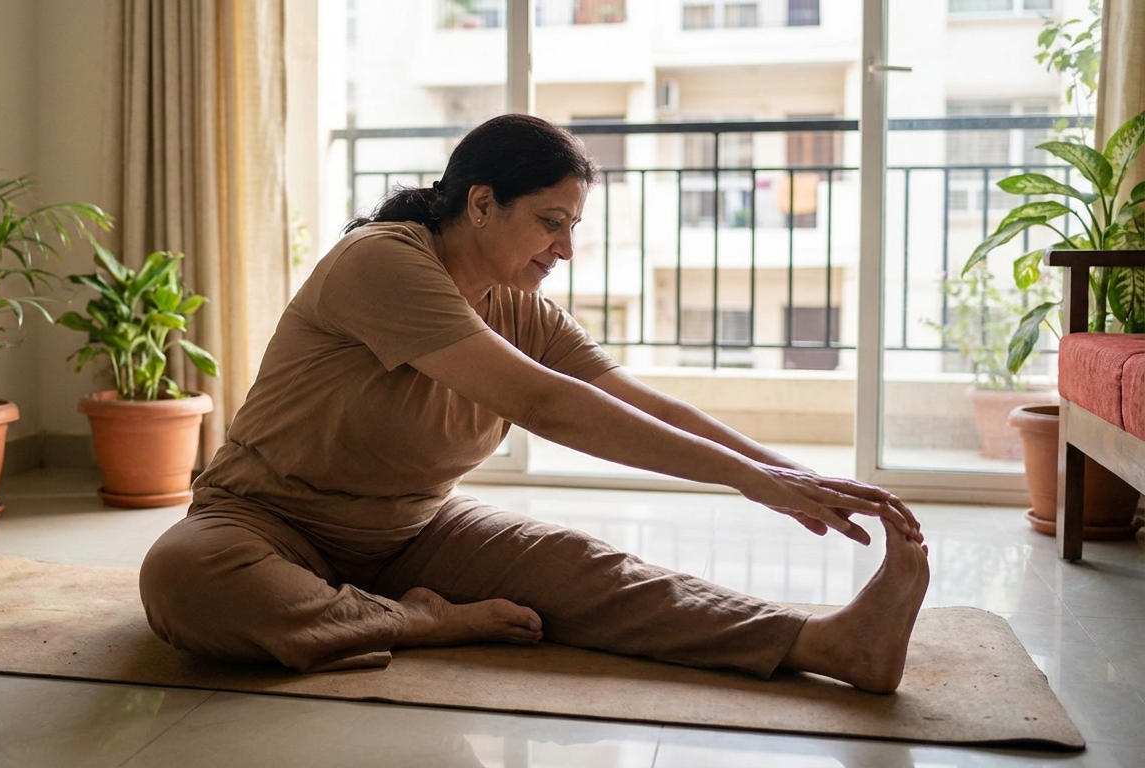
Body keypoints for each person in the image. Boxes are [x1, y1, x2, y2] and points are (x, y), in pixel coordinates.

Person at [140, 114, 929, 694]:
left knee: (589, 571)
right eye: (551, 223)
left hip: (412, 532)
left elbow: (629, 398)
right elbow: (549, 406)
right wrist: (749, 482)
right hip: (265, 522)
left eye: (573, 226)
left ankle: (829, 644)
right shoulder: (381, 263)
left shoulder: (518, 303)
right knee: (185, 577)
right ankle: (418, 621)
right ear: (481, 204)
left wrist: (786, 472)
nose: (566, 248)